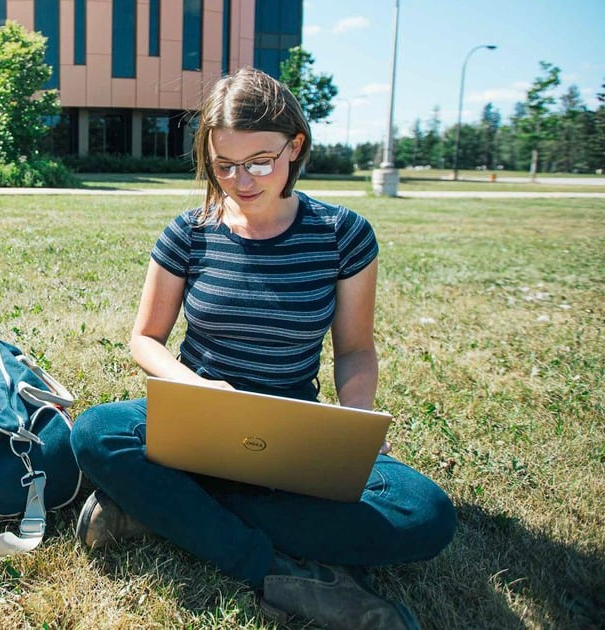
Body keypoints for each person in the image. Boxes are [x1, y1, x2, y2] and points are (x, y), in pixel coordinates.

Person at [69, 67, 456, 630]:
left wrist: (353, 422)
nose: (241, 180)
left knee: (426, 515)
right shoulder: (189, 232)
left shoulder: (343, 234)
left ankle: (164, 510)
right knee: (94, 433)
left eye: (258, 162)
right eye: (224, 165)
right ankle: (272, 569)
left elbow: (354, 351)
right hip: (197, 420)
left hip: (291, 437)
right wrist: (196, 388)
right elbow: (145, 339)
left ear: (294, 146)